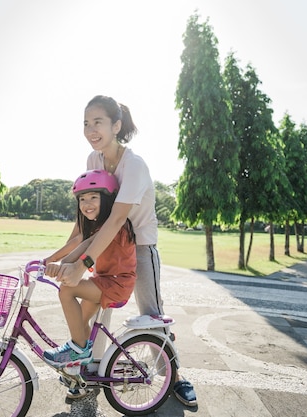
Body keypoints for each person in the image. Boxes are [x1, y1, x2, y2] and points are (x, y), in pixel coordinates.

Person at [50, 95, 197, 407]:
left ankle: (175, 374)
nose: (91, 129)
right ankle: (88, 371)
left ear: (116, 126)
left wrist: (82, 262)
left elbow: (117, 218)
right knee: (95, 310)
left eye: (98, 122)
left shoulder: (134, 165)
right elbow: (88, 220)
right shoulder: (94, 160)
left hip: (139, 244)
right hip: (107, 244)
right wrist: (62, 258)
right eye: (86, 124)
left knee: (152, 313)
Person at [42, 169, 137, 368]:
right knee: (81, 325)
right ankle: (81, 370)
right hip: (103, 281)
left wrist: (62, 265)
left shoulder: (114, 226)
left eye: (94, 197)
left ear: (109, 199)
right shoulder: (97, 226)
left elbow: (85, 247)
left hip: (116, 284)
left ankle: (78, 350)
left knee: (67, 290)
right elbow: (79, 241)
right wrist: (52, 261)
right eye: (82, 199)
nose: (87, 204)